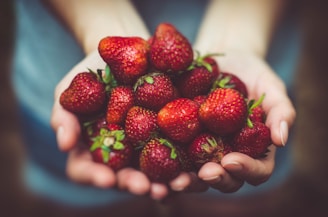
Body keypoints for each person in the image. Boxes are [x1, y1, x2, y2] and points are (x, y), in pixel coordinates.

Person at [12, 0, 298, 208]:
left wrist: (239, 40)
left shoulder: (202, 103)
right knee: (90, 206)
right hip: (57, 60)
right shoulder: (146, 102)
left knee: (233, 206)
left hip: (259, 32)